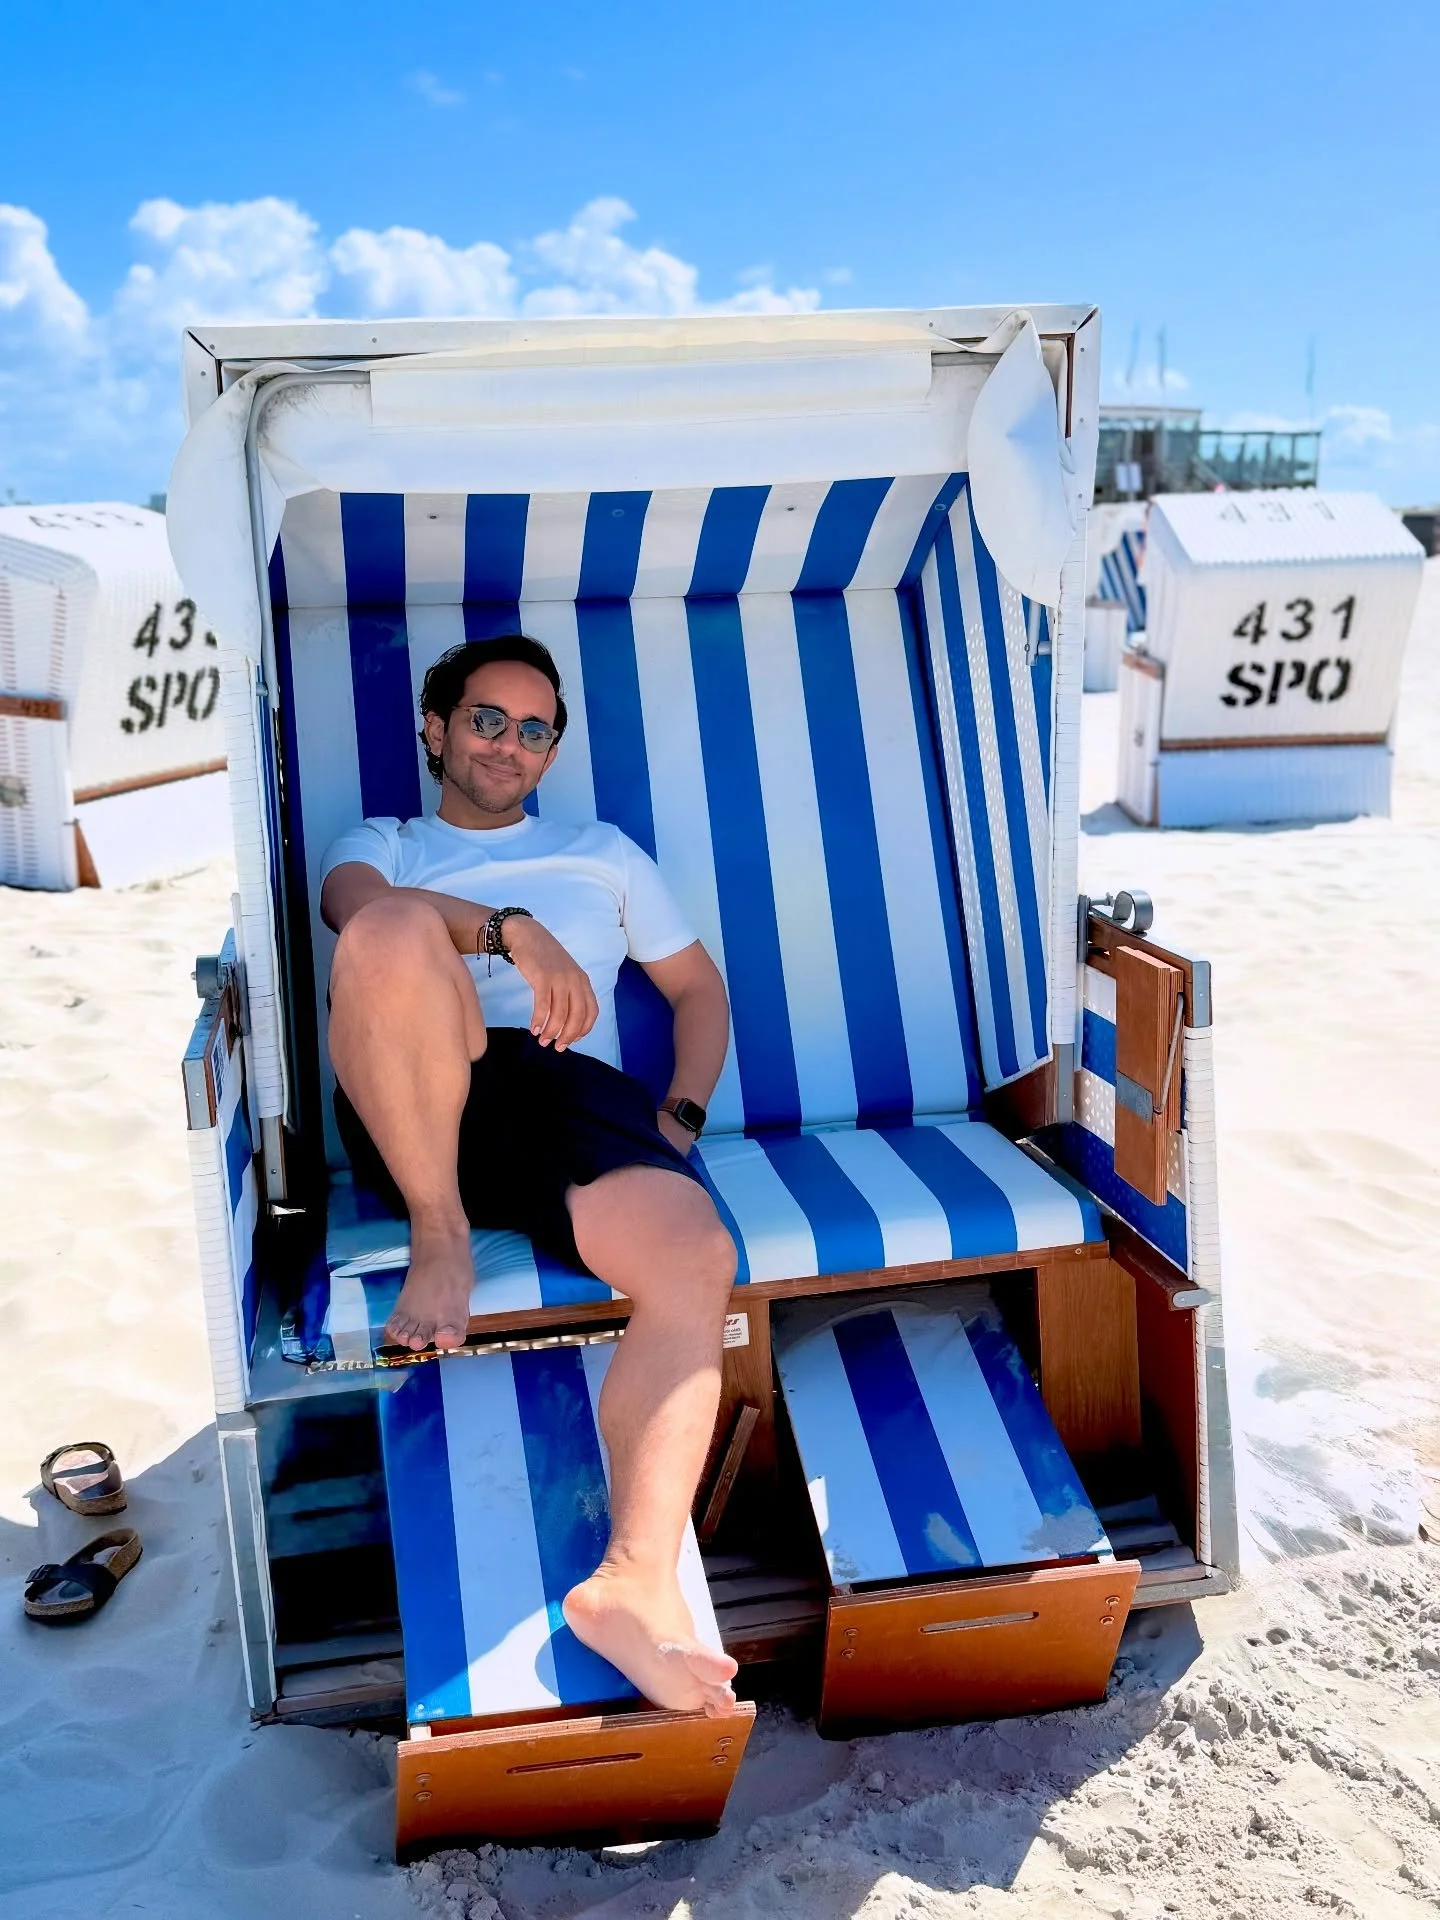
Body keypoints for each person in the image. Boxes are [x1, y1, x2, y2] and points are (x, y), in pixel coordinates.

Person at [318, 635, 739, 1718]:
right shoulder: (386, 843)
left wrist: (680, 1119)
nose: (509, 743)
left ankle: (634, 1581)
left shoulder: (604, 852)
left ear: (551, 754)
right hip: (417, 1088)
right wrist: (516, 935)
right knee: (394, 927)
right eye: (486, 720)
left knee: (695, 1253)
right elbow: (357, 912)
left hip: (562, 1095)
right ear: (437, 731)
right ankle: (441, 1230)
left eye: (534, 729)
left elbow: (699, 991)